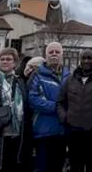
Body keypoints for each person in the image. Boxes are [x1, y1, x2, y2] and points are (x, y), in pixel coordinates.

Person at [58, 49, 92, 172]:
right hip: (74, 132)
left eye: (90, 58)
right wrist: (65, 117)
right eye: (84, 58)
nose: (86, 61)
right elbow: (60, 101)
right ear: (80, 60)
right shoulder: (70, 80)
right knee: (76, 166)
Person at [30, 43, 71, 172]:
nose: (54, 54)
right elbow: (33, 100)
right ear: (45, 55)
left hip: (62, 132)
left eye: (57, 52)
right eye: (51, 52)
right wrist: (58, 107)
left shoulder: (69, 77)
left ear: (62, 55)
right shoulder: (37, 75)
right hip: (43, 132)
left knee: (58, 167)